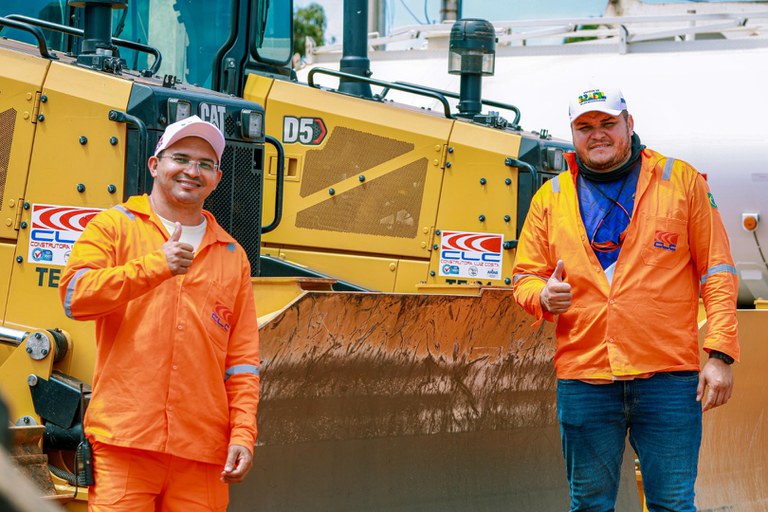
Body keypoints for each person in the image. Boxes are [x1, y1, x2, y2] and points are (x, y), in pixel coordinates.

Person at [511, 86, 739, 511]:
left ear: (629, 125)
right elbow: (524, 276)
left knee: (673, 504)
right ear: (573, 135)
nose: (597, 134)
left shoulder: (681, 181)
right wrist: (542, 295)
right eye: (585, 127)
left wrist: (720, 354)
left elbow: (718, 270)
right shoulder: (551, 197)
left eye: (607, 124)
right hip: (585, 378)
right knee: (590, 505)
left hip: (668, 379)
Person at [59, 115, 260, 511]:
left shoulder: (232, 255)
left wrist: (243, 433)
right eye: (180, 158)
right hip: (126, 441)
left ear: (217, 178)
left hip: (202, 453)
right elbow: (74, 298)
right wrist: (155, 266)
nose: (192, 171)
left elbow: (242, 363)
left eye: (205, 164)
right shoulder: (114, 227)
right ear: (155, 164)